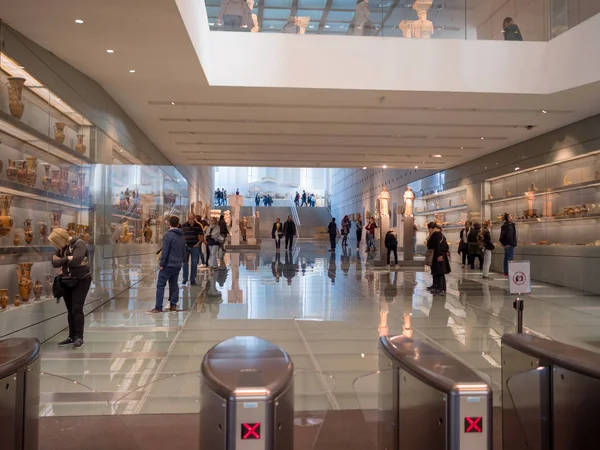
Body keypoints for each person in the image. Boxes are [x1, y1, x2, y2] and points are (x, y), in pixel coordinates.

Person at [50, 228, 92, 349]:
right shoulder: (61, 247)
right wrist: (67, 259)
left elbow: (76, 261)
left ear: (60, 239)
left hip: (81, 280)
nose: (56, 247)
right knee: (70, 310)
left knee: (76, 308)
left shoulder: (79, 244)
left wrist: (64, 260)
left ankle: (79, 337)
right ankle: (71, 336)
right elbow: (54, 263)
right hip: (66, 280)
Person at [148, 216, 186, 314]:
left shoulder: (168, 235)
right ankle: (173, 305)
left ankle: (158, 307)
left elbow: (165, 251)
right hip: (177, 264)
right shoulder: (181, 236)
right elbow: (183, 250)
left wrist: (162, 263)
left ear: (169, 223)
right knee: (174, 284)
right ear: (178, 224)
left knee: (160, 285)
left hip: (168, 264)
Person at [182, 213, 205, 286]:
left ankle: (192, 279)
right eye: (189, 219)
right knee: (185, 263)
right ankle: (185, 278)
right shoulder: (184, 226)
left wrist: (198, 244)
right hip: (186, 247)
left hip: (195, 247)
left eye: (192, 219)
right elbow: (181, 236)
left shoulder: (198, 226)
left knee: (194, 263)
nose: (190, 220)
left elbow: (202, 236)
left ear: (194, 218)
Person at [427, 223, 450, 294]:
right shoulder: (441, 234)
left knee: (439, 272)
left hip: (437, 256)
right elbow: (446, 245)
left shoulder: (435, 235)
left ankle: (440, 288)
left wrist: (437, 256)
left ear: (430, 228)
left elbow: (437, 246)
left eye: (428, 229)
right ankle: (436, 286)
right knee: (437, 272)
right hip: (441, 255)